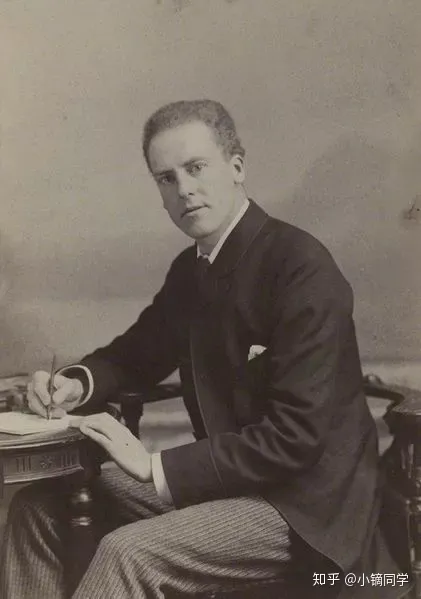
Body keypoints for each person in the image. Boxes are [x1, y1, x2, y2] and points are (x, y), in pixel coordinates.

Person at [0, 100, 408, 599]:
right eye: (166, 178)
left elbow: (296, 439)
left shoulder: (301, 268)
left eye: (195, 168)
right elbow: (133, 357)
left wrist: (153, 467)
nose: (184, 189)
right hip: (230, 485)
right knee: (39, 510)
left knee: (128, 552)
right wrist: (74, 383)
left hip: (308, 507)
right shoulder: (190, 271)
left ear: (236, 167)